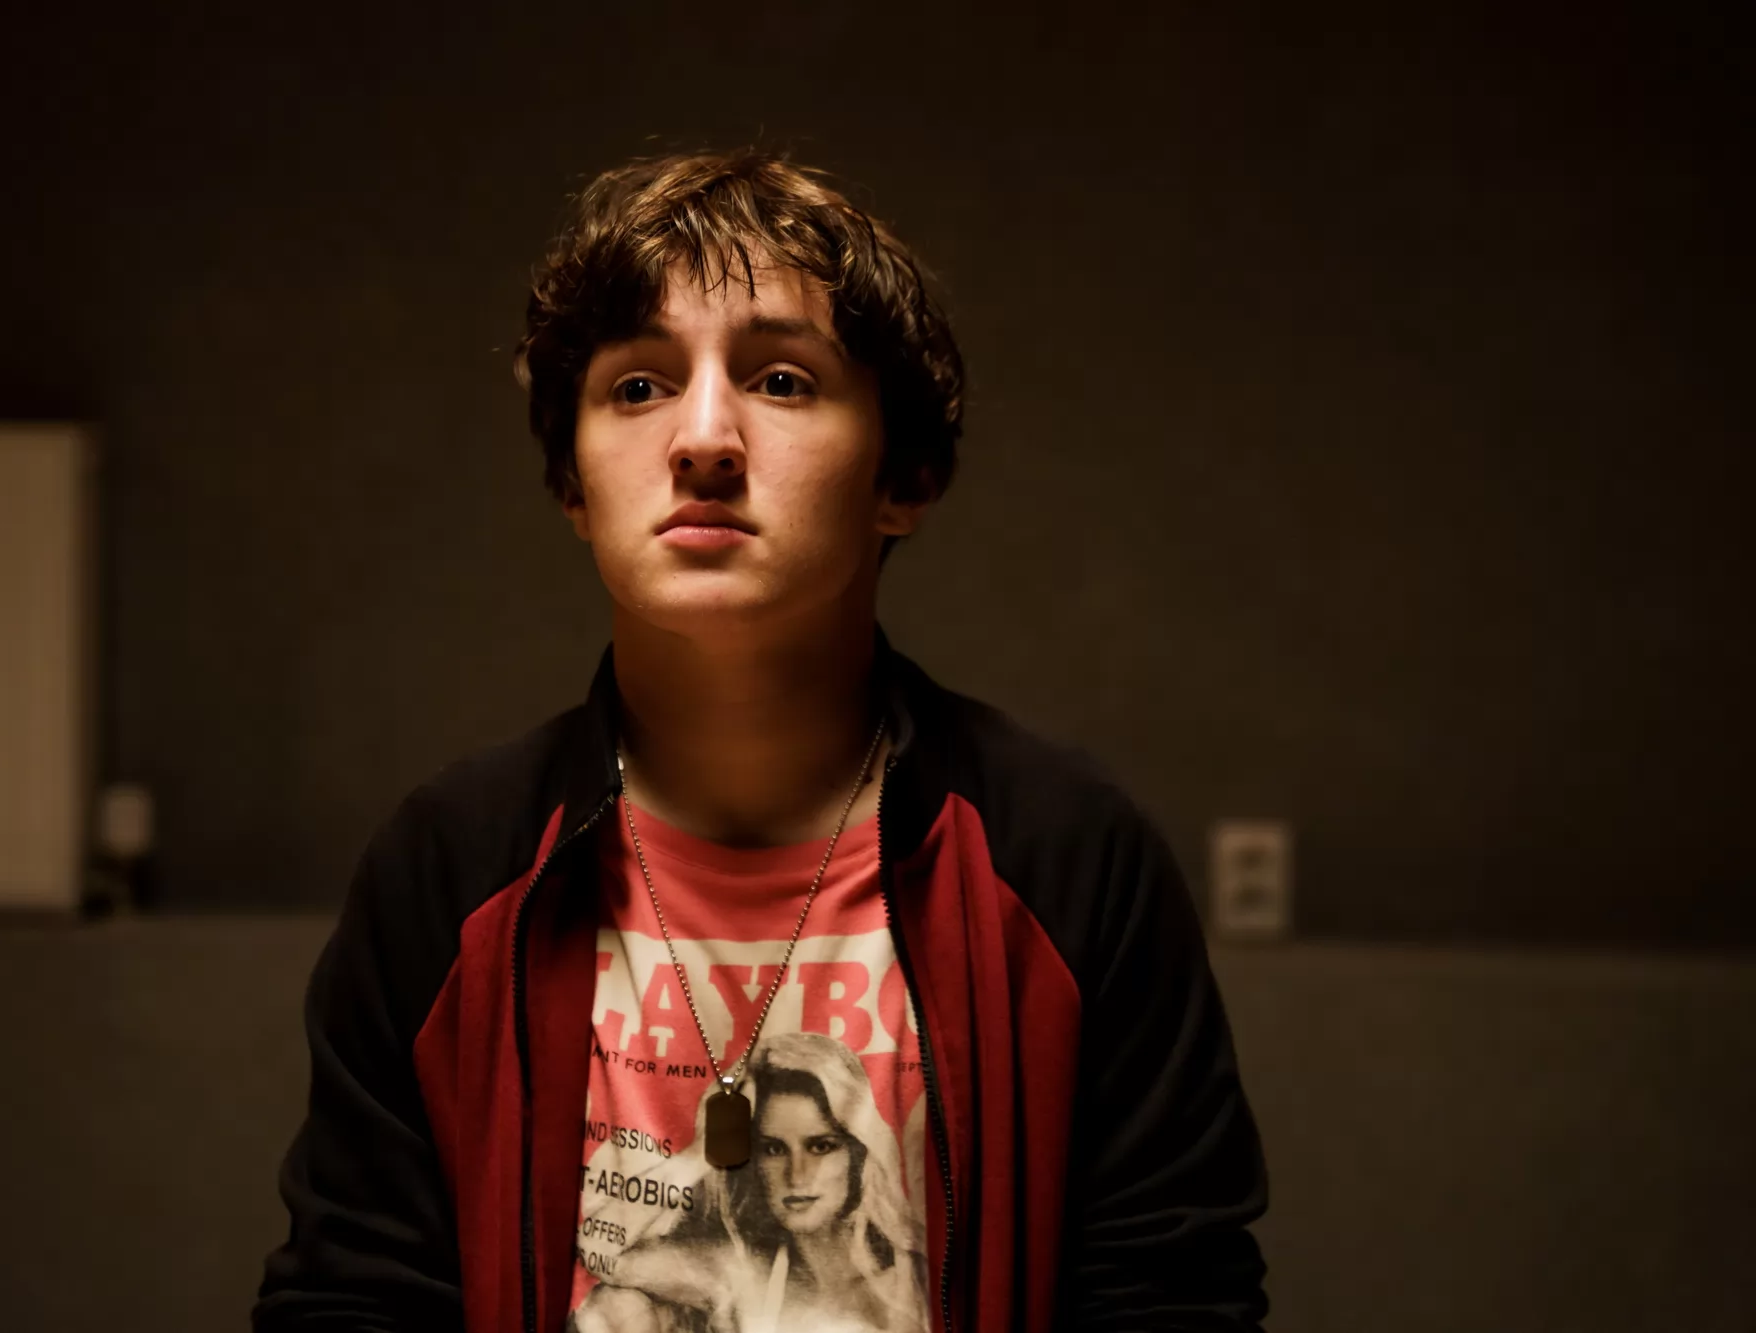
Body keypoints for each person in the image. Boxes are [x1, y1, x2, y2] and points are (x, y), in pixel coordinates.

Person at [254, 147, 1269, 1331]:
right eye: (637, 386)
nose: (702, 439)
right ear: (573, 486)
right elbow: (353, 1297)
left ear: (902, 478)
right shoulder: (448, 869)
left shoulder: (1066, 860)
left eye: (781, 380)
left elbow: (1172, 1299)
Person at [570, 1034, 927, 1333]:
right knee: (613, 1305)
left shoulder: (909, 1281)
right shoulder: (741, 1274)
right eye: (773, 1149)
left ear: (857, 1154)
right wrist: (701, 1154)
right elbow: (600, 1252)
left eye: (820, 1146)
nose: (797, 1175)